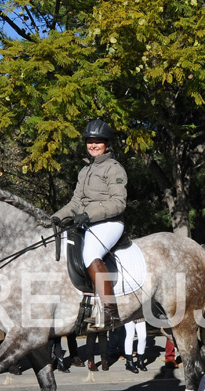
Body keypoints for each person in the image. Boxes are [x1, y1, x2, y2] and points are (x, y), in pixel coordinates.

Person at [52, 118, 127, 327]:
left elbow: (118, 202)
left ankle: (111, 312)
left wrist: (88, 215)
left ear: (107, 144)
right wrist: (55, 217)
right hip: (88, 223)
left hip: (110, 222)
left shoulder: (114, 168)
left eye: (98, 141)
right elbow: (75, 202)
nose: (93, 145)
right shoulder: (84, 171)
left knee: (90, 254)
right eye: (89, 141)